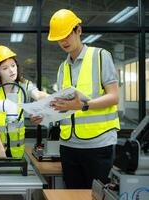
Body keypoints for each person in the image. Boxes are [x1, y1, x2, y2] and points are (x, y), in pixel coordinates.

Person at [38, 9, 120, 189]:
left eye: (67, 34)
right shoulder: (62, 68)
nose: (63, 41)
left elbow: (114, 97)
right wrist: (43, 115)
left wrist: (83, 105)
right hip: (69, 146)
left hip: (98, 145)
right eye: (59, 38)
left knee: (99, 195)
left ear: (78, 30)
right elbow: (63, 106)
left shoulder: (100, 56)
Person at [0, 45, 48, 164]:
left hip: (14, 149)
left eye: (13, 65)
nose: (12, 70)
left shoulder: (24, 85)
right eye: (5, 68)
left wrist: (54, 97)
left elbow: (37, 95)